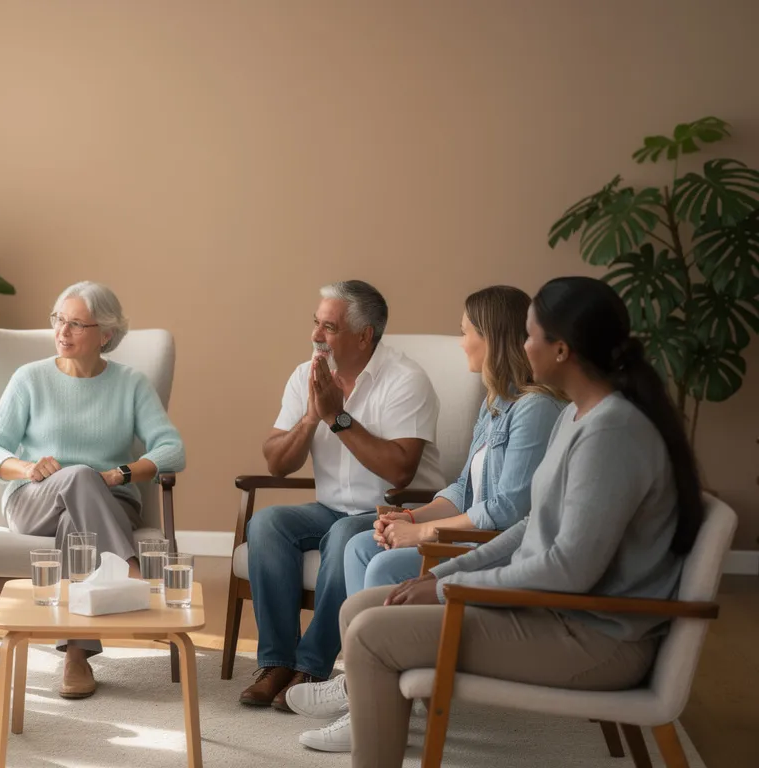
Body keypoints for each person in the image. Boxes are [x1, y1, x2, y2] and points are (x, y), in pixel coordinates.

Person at [296, 276, 703, 764]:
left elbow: (567, 568)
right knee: (359, 608)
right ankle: (373, 724)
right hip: (559, 618)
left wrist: (447, 588)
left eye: (530, 334)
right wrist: (445, 574)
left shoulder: (609, 432)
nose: (521, 344)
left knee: (369, 632)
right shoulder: (581, 418)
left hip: (595, 640)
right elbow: (529, 529)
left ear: (561, 349)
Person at [0, 281, 185, 699]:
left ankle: (76, 654)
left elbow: (172, 450)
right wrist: (28, 467)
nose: (62, 332)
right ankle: (134, 576)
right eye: (58, 320)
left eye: (76, 324)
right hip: (33, 502)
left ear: (105, 335)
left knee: (79, 508)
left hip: (111, 503)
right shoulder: (29, 379)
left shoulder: (130, 384)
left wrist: (121, 474)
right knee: (78, 475)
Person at [240, 279, 445, 711]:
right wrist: (312, 416)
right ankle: (276, 661)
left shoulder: (406, 380)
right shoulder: (306, 374)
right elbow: (277, 462)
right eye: (315, 323)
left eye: (329, 327)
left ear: (364, 335)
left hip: (398, 510)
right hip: (329, 507)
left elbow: (400, 470)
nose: (316, 335)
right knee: (267, 523)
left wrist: (337, 417)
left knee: (344, 537)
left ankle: (312, 666)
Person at [338, 286, 564, 595]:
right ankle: (359, 644)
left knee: (381, 565)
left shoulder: (535, 408)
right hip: (472, 538)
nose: (461, 343)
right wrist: (407, 518)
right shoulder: (495, 403)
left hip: (498, 551)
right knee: (359, 546)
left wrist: (422, 532)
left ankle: (383, 641)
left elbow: (508, 509)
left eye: (465, 333)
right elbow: (464, 488)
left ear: (491, 339)